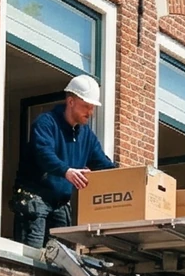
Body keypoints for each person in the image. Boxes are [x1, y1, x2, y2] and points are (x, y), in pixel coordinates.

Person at [12, 73, 114, 249]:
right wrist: (67, 171)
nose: (90, 113)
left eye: (92, 108)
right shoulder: (46, 123)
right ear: (71, 101)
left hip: (60, 204)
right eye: (86, 106)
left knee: (62, 261)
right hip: (35, 200)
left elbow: (104, 165)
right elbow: (44, 154)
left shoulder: (86, 135)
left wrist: (131, 179)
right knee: (31, 256)